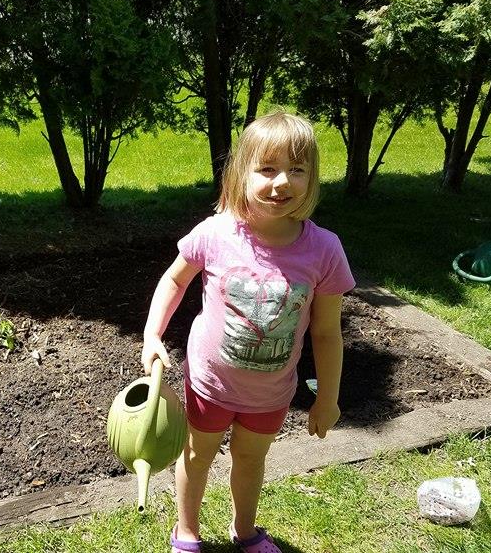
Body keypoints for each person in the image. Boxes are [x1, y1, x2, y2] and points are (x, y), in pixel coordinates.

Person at [141, 111, 355, 553]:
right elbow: (175, 280)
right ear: (242, 173)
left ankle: (244, 530)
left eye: (297, 169)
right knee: (197, 455)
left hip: (271, 393)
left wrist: (328, 398)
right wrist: (152, 334)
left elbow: (326, 333)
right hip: (210, 384)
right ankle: (186, 531)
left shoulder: (324, 250)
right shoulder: (216, 233)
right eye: (268, 168)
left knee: (251, 459)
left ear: (313, 177)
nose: (283, 182)